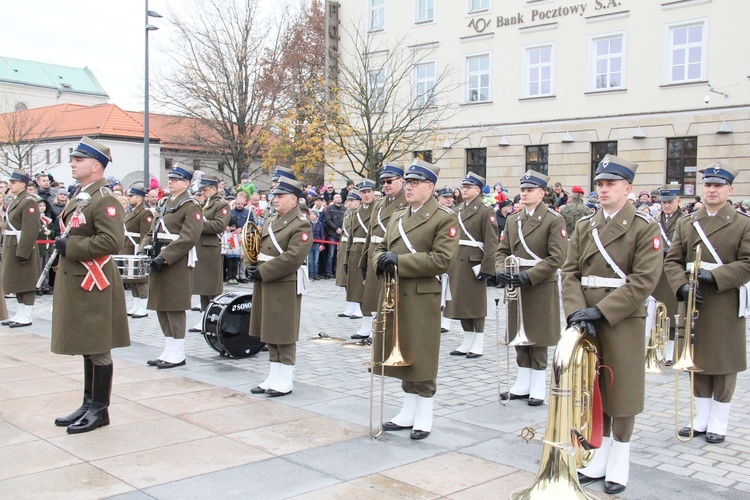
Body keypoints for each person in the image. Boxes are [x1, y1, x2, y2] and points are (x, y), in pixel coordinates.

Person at [562, 154, 662, 494]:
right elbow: (570, 272)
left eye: (610, 184)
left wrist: (602, 311)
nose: (603, 190)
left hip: (621, 318)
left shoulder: (645, 227)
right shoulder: (584, 226)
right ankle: (598, 457)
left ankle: (619, 462)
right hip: (587, 319)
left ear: (628, 188)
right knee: (592, 389)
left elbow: (645, 280)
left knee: (621, 391)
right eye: (600, 184)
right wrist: (576, 311)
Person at [665, 163, 750, 445]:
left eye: (718, 186)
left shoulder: (743, 223)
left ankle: (719, 420)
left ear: (730, 190)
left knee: (723, 361)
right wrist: (681, 285)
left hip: (724, 299)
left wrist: (714, 275)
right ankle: (700, 417)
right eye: (708, 186)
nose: (712, 190)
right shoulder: (686, 222)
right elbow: (672, 261)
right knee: (696, 357)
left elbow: (748, 263)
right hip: (693, 299)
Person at [373, 159, 459, 440]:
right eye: (407, 183)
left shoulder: (443, 217)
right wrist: (381, 261)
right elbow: (381, 247)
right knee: (403, 353)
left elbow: (442, 259)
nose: (408, 188)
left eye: (414, 183)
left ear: (430, 187)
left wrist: (400, 261)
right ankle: (407, 410)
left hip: (422, 294)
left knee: (422, 353)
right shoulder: (398, 216)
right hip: (395, 292)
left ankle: (424, 413)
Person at [50, 136, 130, 434]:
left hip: (94, 281)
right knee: (87, 342)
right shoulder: (81, 194)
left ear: (96, 166)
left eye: (78, 159)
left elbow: (113, 241)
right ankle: (88, 403)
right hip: (80, 279)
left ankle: (100, 408)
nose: (72, 163)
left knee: (97, 345)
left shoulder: (104, 198)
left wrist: (72, 245)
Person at [496, 170, 566, 404]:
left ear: (542, 193)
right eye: (522, 189)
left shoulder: (553, 220)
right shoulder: (513, 220)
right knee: (519, 333)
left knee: (538, 335)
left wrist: (531, 276)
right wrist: (501, 271)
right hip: (517, 282)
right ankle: (522, 382)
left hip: (540, 283)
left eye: (530, 190)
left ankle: (538, 385)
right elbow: (502, 251)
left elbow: (557, 257)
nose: (524, 194)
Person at [247, 177, 313, 396]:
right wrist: (252, 265)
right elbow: (259, 247)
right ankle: (273, 375)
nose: (275, 199)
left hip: (283, 282)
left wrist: (263, 271)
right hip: (266, 280)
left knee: (283, 332)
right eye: (275, 195)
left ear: (293, 199)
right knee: (269, 329)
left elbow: (293, 258)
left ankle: (286, 378)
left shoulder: (301, 224)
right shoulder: (271, 220)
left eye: (280, 196)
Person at [140, 165, 202, 369]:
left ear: (186, 183)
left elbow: (189, 237)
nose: (171, 182)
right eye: (170, 178)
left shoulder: (191, 205)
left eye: (176, 179)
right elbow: (153, 230)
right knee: (161, 305)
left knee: (174, 306)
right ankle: (169, 349)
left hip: (175, 261)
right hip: (158, 257)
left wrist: (165, 256)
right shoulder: (165, 203)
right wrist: (142, 250)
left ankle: (178, 352)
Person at [444, 173, 498, 358]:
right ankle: (467, 340)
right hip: (457, 261)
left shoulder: (485, 211)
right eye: (463, 186)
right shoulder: (457, 210)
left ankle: (479, 341)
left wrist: (487, 267)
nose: (464, 189)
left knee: (475, 305)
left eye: (469, 187)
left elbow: (491, 242)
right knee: (460, 302)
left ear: (478, 190)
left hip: (474, 262)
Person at [356, 164, 408, 344]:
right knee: (373, 296)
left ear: (401, 181)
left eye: (390, 181)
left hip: (391, 254)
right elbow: (370, 235)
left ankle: (387, 333)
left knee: (389, 297)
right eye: (383, 182)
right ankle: (375, 330)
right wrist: (364, 260)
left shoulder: (407, 203)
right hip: (375, 253)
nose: (386, 185)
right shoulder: (378, 205)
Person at [189, 175, 231, 332]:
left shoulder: (221, 204)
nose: (203, 192)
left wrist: (197, 224)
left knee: (212, 288)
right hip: (201, 247)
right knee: (203, 288)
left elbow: (219, 225)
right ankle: (204, 318)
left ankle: (217, 319)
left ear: (214, 189)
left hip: (211, 248)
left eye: (205, 189)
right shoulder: (205, 203)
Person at [1, 171, 41, 327]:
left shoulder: (29, 201)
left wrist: (24, 252)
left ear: (23, 184)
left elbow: (31, 229)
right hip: (12, 244)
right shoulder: (17, 200)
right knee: (15, 280)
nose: (10, 185)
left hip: (22, 245)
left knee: (26, 281)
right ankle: (20, 312)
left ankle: (27, 314)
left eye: (14, 182)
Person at [650, 184, 683, 364]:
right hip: (657, 271)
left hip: (674, 270)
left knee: (672, 312)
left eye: (670, 202)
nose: (666, 206)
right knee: (656, 311)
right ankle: (656, 349)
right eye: (663, 202)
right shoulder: (654, 221)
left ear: (678, 200)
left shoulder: (685, 221)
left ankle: (670, 351)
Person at [344, 180, 375, 329]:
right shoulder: (355, 212)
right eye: (363, 192)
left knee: (369, 292)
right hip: (355, 253)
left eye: (369, 192)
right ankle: (365, 325)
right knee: (358, 291)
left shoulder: (378, 210)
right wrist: (345, 259)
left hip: (368, 251)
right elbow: (350, 237)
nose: (366, 195)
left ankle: (370, 325)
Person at [121, 186, 153, 319]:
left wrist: (142, 250)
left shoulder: (145, 213)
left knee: (140, 279)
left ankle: (143, 305)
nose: (129, 198)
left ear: (139, 197)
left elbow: (145, 233)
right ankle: (136, 303)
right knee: (131, 278)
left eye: (131, 196)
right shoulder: (132, 211)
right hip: (128, 246)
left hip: (136, 247)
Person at [336, 192, 359, 312]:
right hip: (344, 245)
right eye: (348, 200)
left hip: (353, 246)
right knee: (344, 277)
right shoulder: (347, 213)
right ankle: (351, 305)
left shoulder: (359, 214)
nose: (348, 203)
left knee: (354, 278)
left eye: (352, 200)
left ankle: (358, 306)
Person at [323, 193, 346, 279]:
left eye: (340, 197)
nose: (339, 199)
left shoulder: (345, 209)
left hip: (341, 234)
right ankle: (329, 272)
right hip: (332, 233)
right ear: (333, 199)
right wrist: (336, 228)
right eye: (337, 197)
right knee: (331, 254)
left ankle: (337, 272)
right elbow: (328, 220)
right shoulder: (329, 209)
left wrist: (342, 229)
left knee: (339, 255)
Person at [308, 210, 325, 280]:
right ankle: (311, 274)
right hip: (309, 244)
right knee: (310, 261)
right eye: (311, 214)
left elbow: (321, 235)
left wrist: (321, 244)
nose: (312, 216)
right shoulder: (308, 224)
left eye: (314, 214)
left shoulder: (319, 224)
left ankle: (316, 274)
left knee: (316, 261)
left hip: (317, 244)